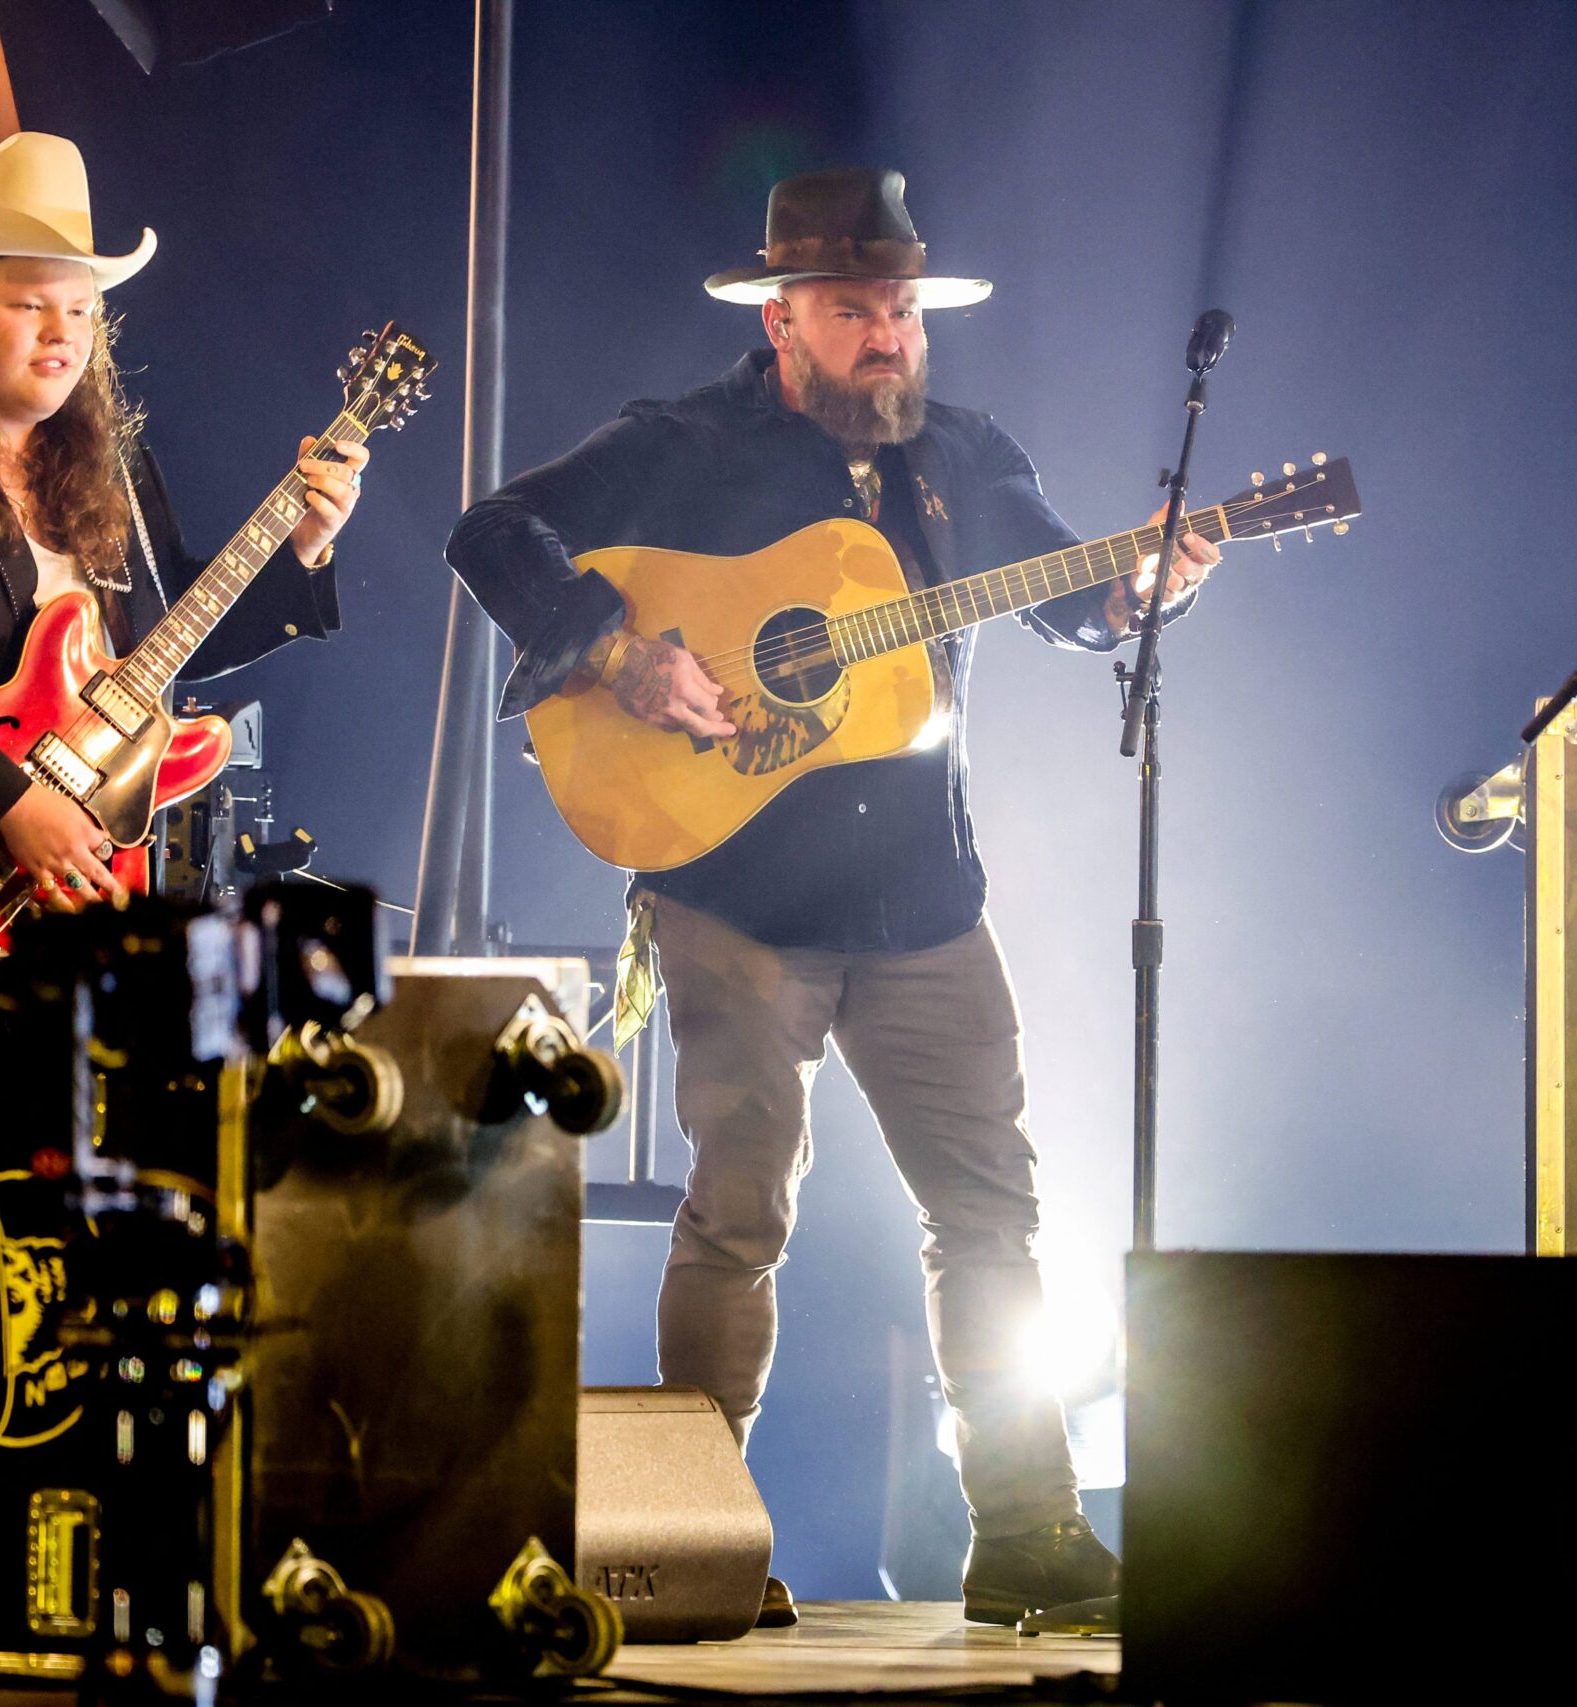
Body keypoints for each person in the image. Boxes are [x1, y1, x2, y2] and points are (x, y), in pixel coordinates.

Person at [444, 167, 1215, 1627]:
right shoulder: (682, 439)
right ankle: (687, 1538)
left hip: (923, 889)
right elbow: (494, 532)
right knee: (739, 1210)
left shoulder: (962, 454)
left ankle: (1032, 1533)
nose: (889, 339)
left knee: (992, 1208)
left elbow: (1060, 597)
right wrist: (618, 651)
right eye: (856, 310)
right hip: (734, 892)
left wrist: (1134, 591)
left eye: (904, 311)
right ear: (784, 317)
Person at [0, 132, 363, 928]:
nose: (64, 333)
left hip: (77, 889)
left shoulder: (110, 463)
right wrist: (12, 805)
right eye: (30, 305)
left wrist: (303, 547)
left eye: (81, 309)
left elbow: (168, 633)